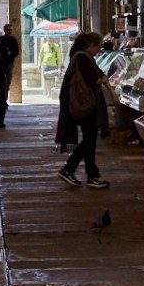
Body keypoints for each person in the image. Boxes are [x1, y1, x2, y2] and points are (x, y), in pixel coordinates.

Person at [56, 31, 111, 191]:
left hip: (82, 103)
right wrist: (103, 81)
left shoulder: (83, 57)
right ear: (91, 45)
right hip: (85, 104)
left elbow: (99, 74)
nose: (99, 50)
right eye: (98, 47)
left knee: (90, 139)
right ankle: (70, 169)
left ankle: (91, 175)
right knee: (89, 140)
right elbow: (94, 78)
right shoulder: (82, 57)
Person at [0, 23, 20, 98]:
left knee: (8, 80)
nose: (9, 31)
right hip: (1, 64)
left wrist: (10, 53)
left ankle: (5, 97)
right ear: (4, 30)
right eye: (8, 30)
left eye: (10, 30)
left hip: (9, 63)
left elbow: (16, 52)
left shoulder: (13, 40)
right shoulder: (1, 39)